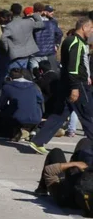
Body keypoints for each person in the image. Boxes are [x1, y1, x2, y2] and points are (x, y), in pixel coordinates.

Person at [30, 18, 93, 155]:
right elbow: (73, 68)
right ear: (84, 28)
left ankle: (38, 141)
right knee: (88, 114)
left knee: (60, 114)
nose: (92, 31)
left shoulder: (70, 40)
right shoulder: (76, 43)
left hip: (66, 83)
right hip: (77, 84)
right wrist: (75, 87)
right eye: (91, 28)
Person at [0, 68, 44, 141]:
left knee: (8, 109)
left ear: (10, 78)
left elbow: (1, 104)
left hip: (17, 119)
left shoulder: (7, 87)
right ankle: (32, 131)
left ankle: (17, 132)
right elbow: (41, 100)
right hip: (35, 118)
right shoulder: (34, 86)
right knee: (36, 105)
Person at [1, 3, 44, 73]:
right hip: (28, 53)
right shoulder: (28, 22)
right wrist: (34, 14)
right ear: (21, 11)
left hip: (16, 55)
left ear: (11, 12)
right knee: (25, 74)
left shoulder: (9, 26)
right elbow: (41, 24)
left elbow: (3, 38)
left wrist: (7, 48)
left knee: (14, 75)